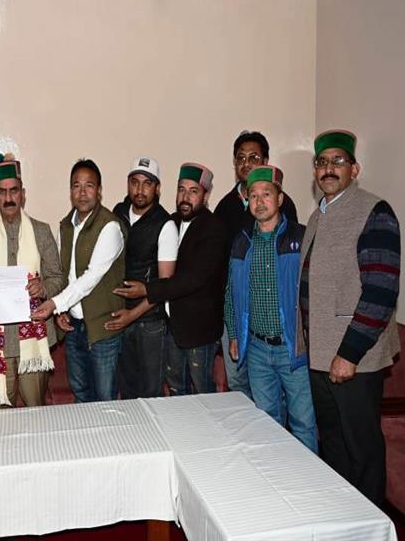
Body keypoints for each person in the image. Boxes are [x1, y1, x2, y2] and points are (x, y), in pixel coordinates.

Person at [299, 130, 400, 506]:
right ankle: (341, 517)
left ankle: (371, 522)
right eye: (322, 162)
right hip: (320, 357)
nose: (328, 169)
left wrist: (350, 353)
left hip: (353, 359)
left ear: (354, 169)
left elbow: (380, 291)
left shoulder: (375, 212)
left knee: (362, 450)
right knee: (334, 446)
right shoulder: (317, 216)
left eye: (337, 161)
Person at [224, 166, 317, 452]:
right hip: (257, 350)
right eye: (253, 195)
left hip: (294, 349)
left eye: (267, 194)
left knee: (303, 423)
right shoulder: (242, 241)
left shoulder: (301, 238)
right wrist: (234, 335)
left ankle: (305, 477)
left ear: (280, 198)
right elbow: (230, 293)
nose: (260, 201)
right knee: (266, 424)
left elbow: (316, 292)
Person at [116, 162, 228, 395]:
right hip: (173, 327)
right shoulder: (171, 221)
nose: (185, 197)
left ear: (206, 195)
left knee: (203, 394)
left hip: (199, 331)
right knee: (177, 391)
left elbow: (192, 279)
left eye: (193, 191)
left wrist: (147, 289)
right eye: (181, 190)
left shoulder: (214, 229)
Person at [0, 153, 64, 407]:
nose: (8, 198)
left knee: (36, 414)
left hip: (34, 339)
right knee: (0, 419)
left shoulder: (41, 232)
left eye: (13, 191)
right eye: (2, 192)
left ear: (23, 194)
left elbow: (58, 278)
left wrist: (43, 287)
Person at [32, 159, 126, 403]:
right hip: (73, 327)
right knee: (80, 394)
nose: (82, 193)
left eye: (89, 186)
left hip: (103, 328)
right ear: (70, 190)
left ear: (99, 190)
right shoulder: (65, 226)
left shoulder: (110, 227)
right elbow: (62, 274)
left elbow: (91, 277)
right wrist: (61, 311)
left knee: (104, 399)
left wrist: (54, 304)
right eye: (76, 186)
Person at [214, 131, 298, 399]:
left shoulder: (285, 205)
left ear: (265, 160)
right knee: (238, 383)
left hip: (273, 318)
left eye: (254, 157)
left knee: (280, 392)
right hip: (236, 310)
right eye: (240, 158)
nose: (246, 163)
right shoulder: (224, 207)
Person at [107, 157, 176, 399]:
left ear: (157, 188)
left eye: (147, 183)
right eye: (135, 182)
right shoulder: (117, 213)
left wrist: (132, 315)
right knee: (126, 393)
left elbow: (165, 286)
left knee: (150, 395)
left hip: (150, 322)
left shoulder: (165, 224)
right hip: (120, 317)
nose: (140, 189)